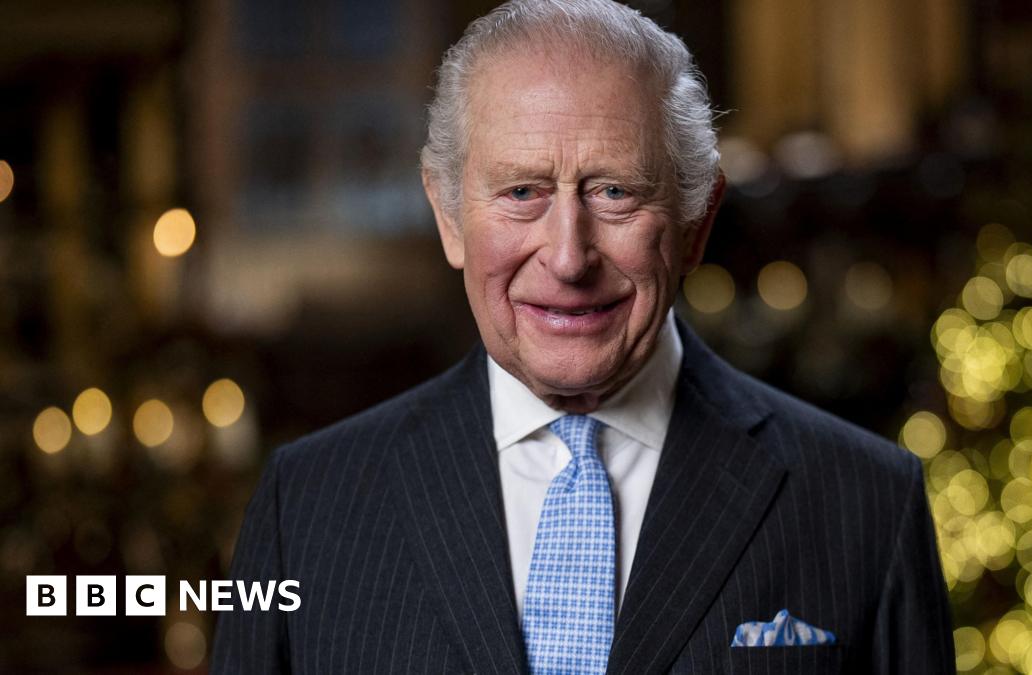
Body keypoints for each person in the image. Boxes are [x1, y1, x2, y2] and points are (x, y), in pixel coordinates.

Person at [211, 1, 954, 672]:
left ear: (697, 222)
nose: (568, 257)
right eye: (522, 192)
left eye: (615, 192)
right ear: (447, 215)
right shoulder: (304, 509)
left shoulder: (868, 503)